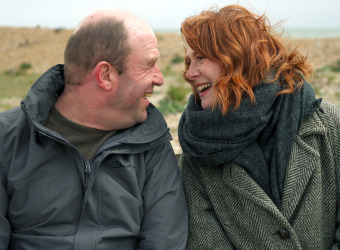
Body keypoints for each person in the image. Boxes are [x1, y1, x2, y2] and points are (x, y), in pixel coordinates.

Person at [0, 9, 188, 249]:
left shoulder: (151, 144)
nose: (159, 78)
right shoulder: (7, 138)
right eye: (149, 65)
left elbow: (164, 243)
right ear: (105, 75)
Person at [178, 4, 340, 249]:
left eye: (200, 58)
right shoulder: (196, 154)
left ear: (238, 56)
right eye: (188, 62)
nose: (189, 74)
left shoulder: (328, 124)